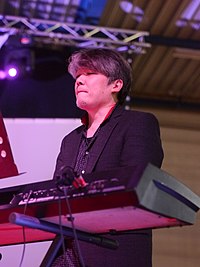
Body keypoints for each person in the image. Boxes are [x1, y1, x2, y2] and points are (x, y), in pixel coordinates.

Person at [52, 48, 164, 267]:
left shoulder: (139, 124)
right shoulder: (70, 140)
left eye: (90, 73)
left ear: (116, 85)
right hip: (65, 252)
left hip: (113, 251)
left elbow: (137, 185)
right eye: (78, 76)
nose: (79, 81)